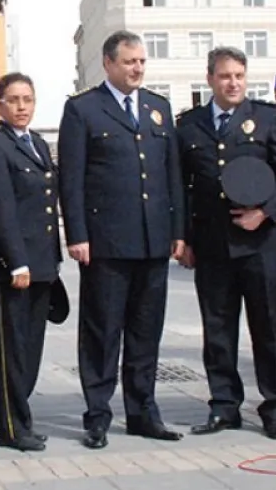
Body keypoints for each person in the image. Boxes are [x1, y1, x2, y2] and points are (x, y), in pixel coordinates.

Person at [58, 30, 185, 449]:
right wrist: (77, 234)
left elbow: (172, 178)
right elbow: (71, 179)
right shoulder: (83, 109)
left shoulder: (158, 108)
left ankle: (143, 411)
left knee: (146, 331)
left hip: (153, 241)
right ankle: (97, 414)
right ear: (108, 63)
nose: (137, 69)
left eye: (142, 62)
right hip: (107, 243)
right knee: (102, 331)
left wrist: (177, 231)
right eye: (129, 62)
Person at [174, 46, 276, 440]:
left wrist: (264, 213)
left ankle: (274, 408)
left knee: (268, 329)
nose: (233, 83)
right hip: (213, 246)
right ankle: (224, 405)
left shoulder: (267, 117)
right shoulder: (191, 125)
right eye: (225, 76)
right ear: (210, 79)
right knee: (218, 331)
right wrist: (184, 238)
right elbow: (181, 186)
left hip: (262, 244)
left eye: (240, 76)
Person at [0, 72, 62, 452]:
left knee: (31, 348)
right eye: (13, 100)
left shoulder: (39, 144)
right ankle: (11, 426)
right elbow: (1, 207)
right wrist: (16, 261)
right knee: (13, 348)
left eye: (27, 99)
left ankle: (22, 417)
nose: (22, 106)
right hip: (17, 267)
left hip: (43, 261)